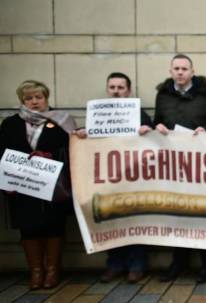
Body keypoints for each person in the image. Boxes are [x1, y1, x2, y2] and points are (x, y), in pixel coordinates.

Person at [74, 72, 153, 283]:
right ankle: (115, 264)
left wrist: (148, 130)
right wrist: (82, 133)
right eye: (112, 87)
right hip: (107, 180)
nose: (116, 91)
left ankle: (137, 265)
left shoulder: (140, 114)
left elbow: (153, 140)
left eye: (121, 87)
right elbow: (88, 139)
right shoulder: (98, 114)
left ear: (129, 90)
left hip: (135, 179)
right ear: (108, 89)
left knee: (135, 220)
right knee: (112, 221)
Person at [0, 80, 76, 290]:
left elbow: (73, 150)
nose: (34, 102)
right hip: (21, 186)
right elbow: (3, 154)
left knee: (54, 227)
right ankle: (36, 271)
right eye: (29, 98)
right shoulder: (10, 124)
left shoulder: (62, 121)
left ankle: (52, 271)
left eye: (38, 97)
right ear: (22, 101)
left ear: (46, 98)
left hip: (54, 187)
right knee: (28, 228)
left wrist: (49, 156)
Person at [153, 54, 206, 283]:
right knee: (176, 212)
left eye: (184, 68)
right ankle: (177, 263)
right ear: (171, 71)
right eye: (176, 68)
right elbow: (156, 121)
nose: (180, 72)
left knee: (201, 213)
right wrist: (157, 126)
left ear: (192, 71)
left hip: (200, 166)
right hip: (172, 166)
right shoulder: (162, 95)